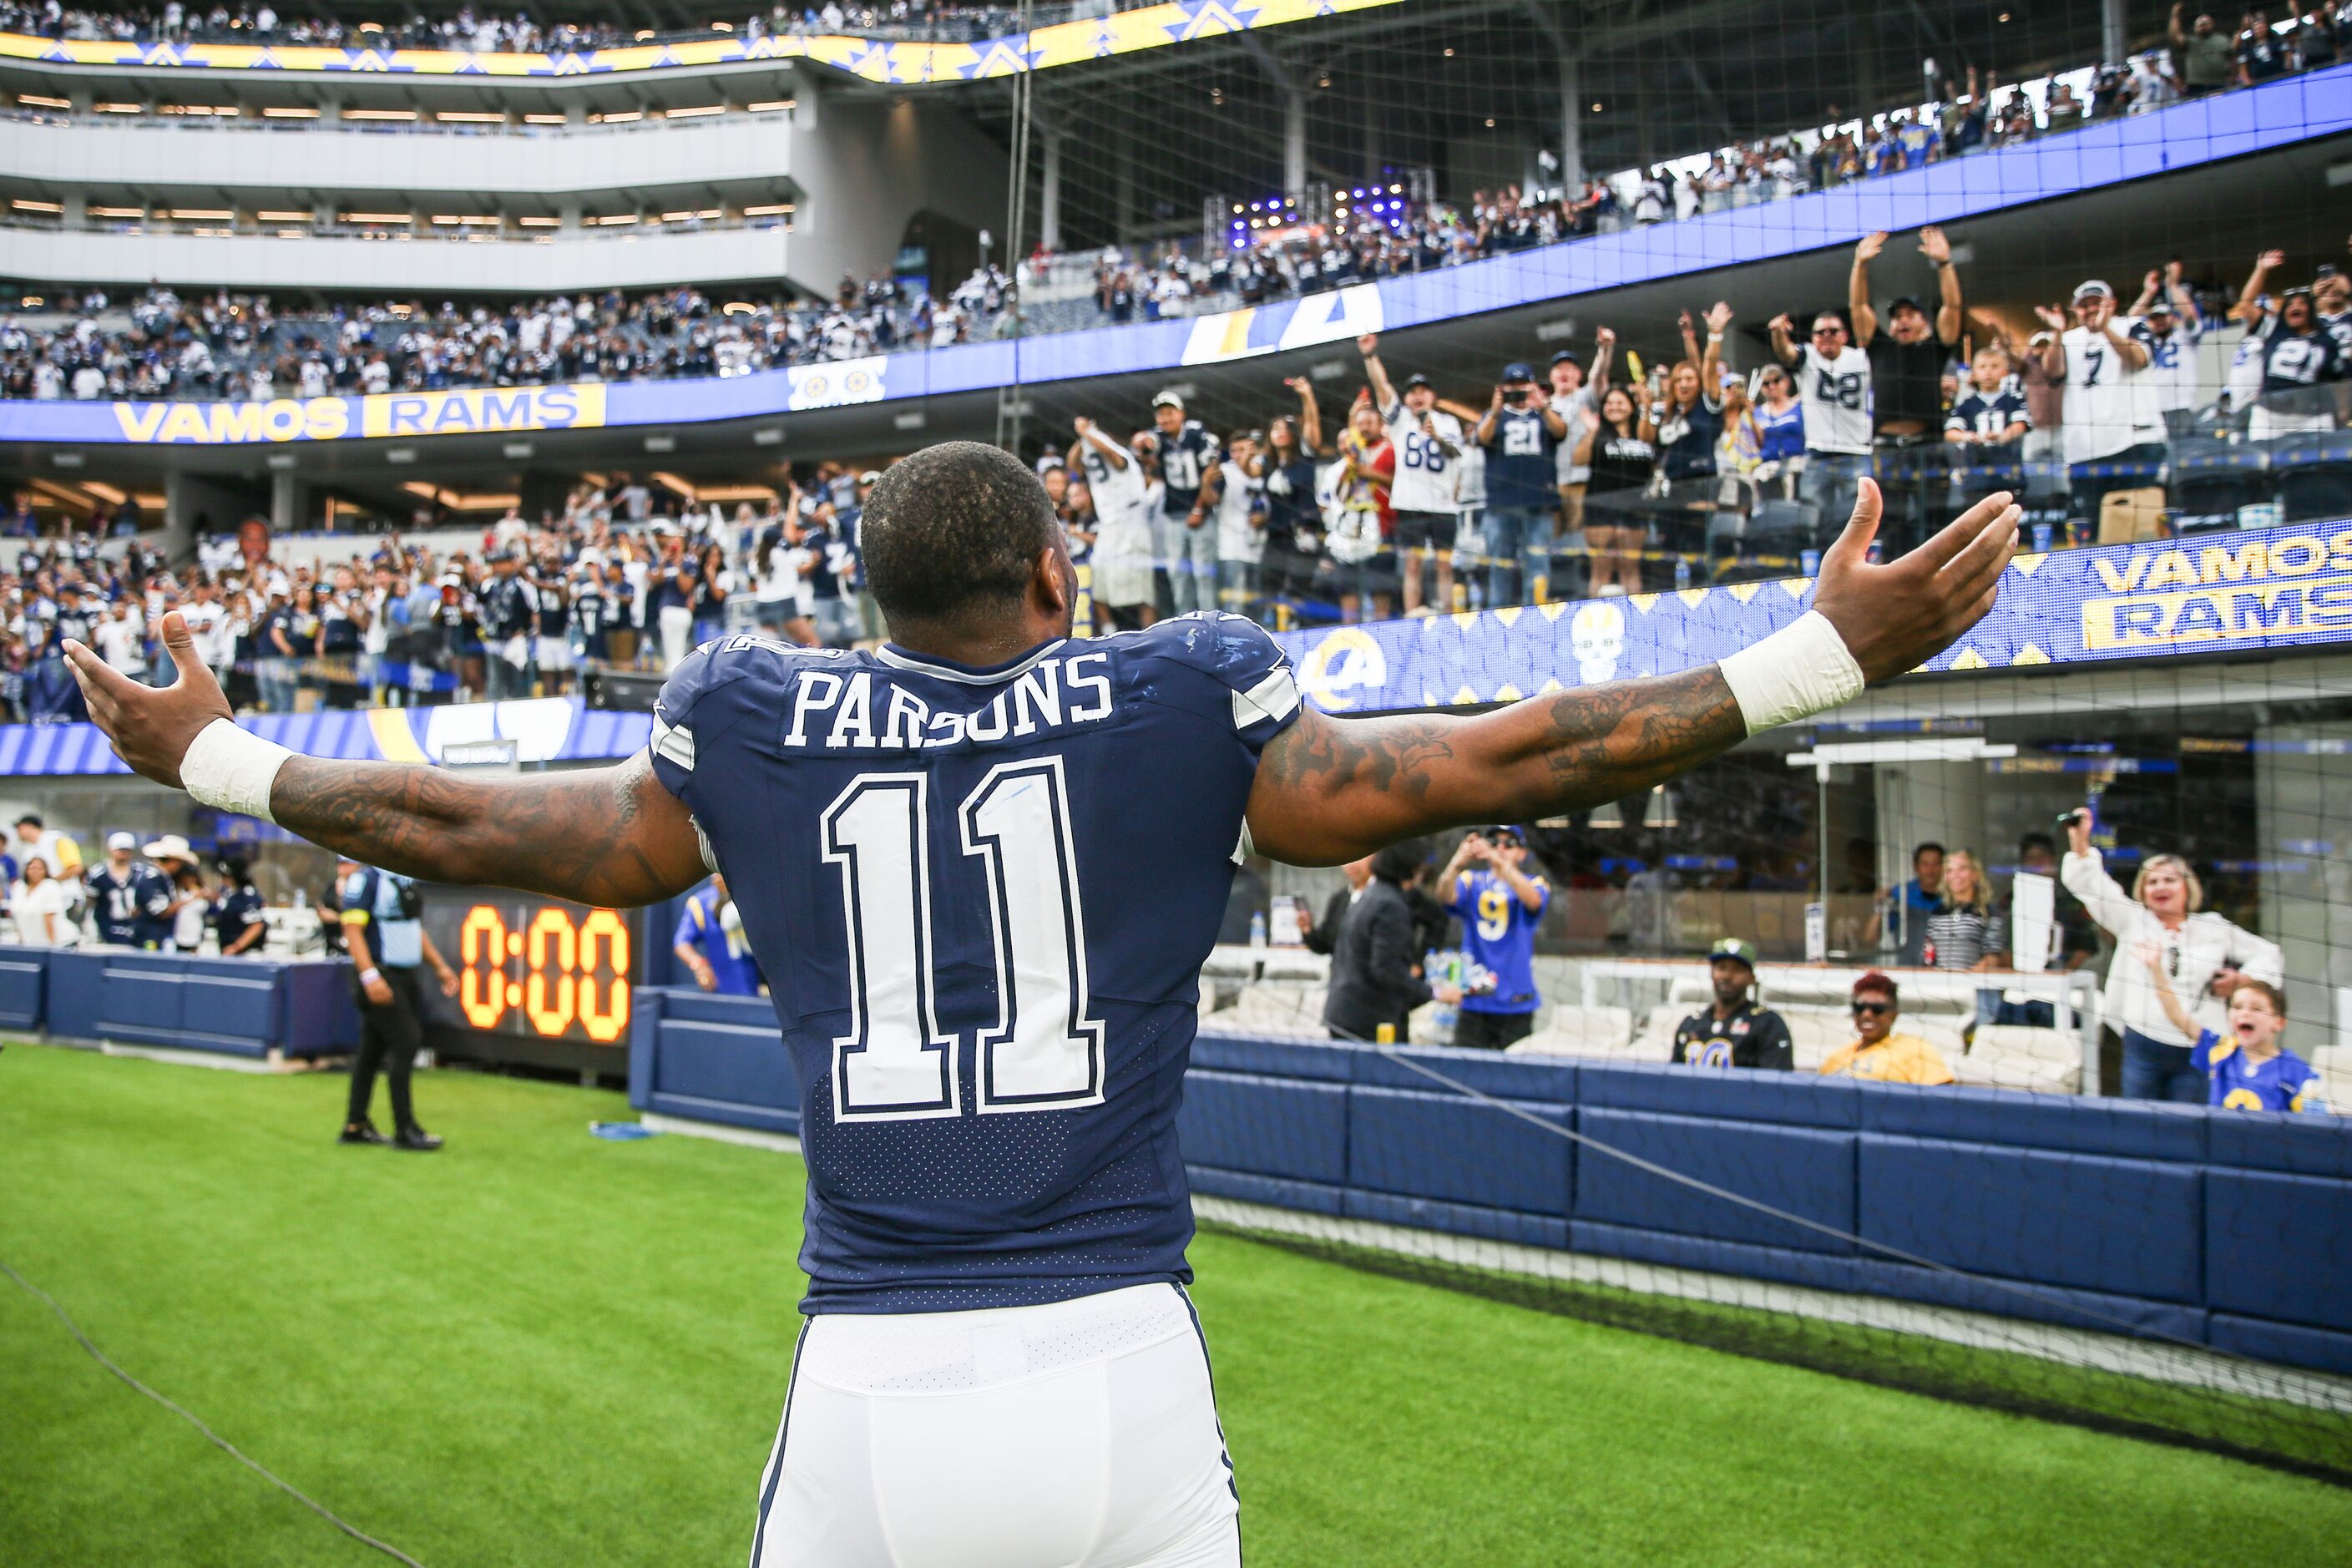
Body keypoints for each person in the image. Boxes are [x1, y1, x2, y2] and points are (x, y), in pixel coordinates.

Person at [63, 441, 2016, 1568]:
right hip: (1120, 1369)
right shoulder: (1184, 690)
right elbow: (1492, 765)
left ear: (872, 601)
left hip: (871, 1375)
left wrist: (215, 756)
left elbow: (457, 815)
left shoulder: (755, 710)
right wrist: (1809, 660)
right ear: (1054, 569)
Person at [2061, 809, 2285, 1102]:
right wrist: (2080, 843)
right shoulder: (2132, 921)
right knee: (2142, 1125)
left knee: (2190, 1128)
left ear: (2186, 887)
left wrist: (2242, 981)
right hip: (2144, 1047)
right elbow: (2092, 887)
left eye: (2169, 880)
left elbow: (2269, 954)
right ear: (2142, 890)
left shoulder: (2213, 927)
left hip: (2199, 1045)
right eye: (2152, 882)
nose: (2160, 887)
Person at [336, 853, 460, 1151]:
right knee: (406, 1041)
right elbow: (352, 930)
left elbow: (412, 929)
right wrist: (369, 976)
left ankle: (355, 1124)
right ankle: (405, 1129)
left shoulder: (403, 878)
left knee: (371, 1050)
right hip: (381, 974)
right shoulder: (366, 879)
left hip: (404, 976)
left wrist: (439, 966)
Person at [1850, 229, 1965, 544]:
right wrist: (1859, 265)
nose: (1901, 321)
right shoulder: (1879, 347)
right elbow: (1859, 306)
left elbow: (1953, 309)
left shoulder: (1936, 347)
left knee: (1936, 529)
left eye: (1910, 315)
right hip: (1886, 451)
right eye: (1896, 316)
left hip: (1928, 448)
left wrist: (1945, 264)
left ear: (1925, 322)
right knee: (1890, 529)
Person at [2036, 281, 2163, 531]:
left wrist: (2105, 329)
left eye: (2097, 303)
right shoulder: (2068, 339)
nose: (2091, 309)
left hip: (2133, 443)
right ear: (2075, 311)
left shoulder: (2131, 325)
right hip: (2085, 450)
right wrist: (2058, 334)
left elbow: (2138, 359)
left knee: (2138, 527)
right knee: (2091, 530)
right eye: (2084, 306)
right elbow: (2052, 372)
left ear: (2112, 304)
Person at [2142, 944, 2326, 1112]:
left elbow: (2314, 1125)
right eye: (2237, 1007)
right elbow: (2177, 1016)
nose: (2245, 1014)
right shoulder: (2222, 1051)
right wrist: (2156, 969)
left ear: (2278, 1022)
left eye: (2256, 1008)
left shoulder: (2296, 1070)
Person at [1361, 335, 1464, 616]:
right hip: (1410, 503)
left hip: (1443, 505)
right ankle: (1412, 613)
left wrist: (1438, 437)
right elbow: (1382, 388)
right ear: (1407, 398)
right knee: (1412, 564)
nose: (1418, 395)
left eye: (1423, 390)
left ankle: (1447, 613)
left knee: (1445, 564)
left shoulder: (1448, 422)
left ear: (1432, 396)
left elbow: (1456, 454)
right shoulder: (1401, 420)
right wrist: (1371, 357)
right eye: (1412, 392)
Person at [1324, 839, 1456, 1042]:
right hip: (1370, 1020)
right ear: (1412, 868)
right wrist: (1436, 993)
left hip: (1345, 1013)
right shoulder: (1390, 906)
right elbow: (1387, 970)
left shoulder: (1370, 896)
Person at [1434, 826, 1550, 1050]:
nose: (1501, 848)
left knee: (1516, 1078)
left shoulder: (1535, 883)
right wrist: (1457, 862)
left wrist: (1499, 862)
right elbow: (1444, 896)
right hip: (1475, 998)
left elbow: (1534, 901)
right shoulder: (1471, 880)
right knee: (1468, 1072)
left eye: (1509, 844)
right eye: (1494, 843)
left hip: (1516, 1001)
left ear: (1522, 853)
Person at [1768, 304, 1874, 543]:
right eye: (1820, 332)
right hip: (1819, 451)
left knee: (1856, 518)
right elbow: (1786, 353)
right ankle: (1819, 568)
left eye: (1833, 331)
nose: (1826, 336)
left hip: (1856, 449)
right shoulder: (1808, 356)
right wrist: (1778, 332)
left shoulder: (1861, 357)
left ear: (1845, 335)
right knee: (1813, 518)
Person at [1474, 362, 1567, 608]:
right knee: (1500, 564)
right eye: (1512, 386)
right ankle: (1498, 613)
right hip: (1500, 504)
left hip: (1538, 504)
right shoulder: (1493, 416)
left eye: (1523, 385)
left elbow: (1561, 432)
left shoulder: (1545, 414)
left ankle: (1536, 612)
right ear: (1502, 389)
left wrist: (1542, 405)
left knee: (1537, 562)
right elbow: (1481, 438)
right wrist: (1495, 410)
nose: (1517, 390)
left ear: (1533, 385)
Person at [1672, 936, 1794, 1070]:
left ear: (1751, 978)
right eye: (1722, 968)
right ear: (1712, 973)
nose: (1727, 976)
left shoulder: (1767, 1024)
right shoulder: (1691, 1023)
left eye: (1737, 970)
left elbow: (1776, 1082)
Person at [1818, 972, 1956, 1085]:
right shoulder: (1838, 1057)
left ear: (1894, 1015)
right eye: (1860, 1008)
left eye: (1877, 1009)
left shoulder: (1916, 1049)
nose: (1867, 1014)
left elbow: (1941, 1100)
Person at [673, 873, 763, 995]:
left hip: (762, 991)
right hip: (721, 991)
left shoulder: (758, 897)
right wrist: (699, 964)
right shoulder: (701, 903)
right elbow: (681, 942)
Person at [86, 830, 173, 948]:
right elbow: (91, 901)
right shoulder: (97, 874)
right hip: (107, 926)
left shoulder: (143, 873)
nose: (123, 853)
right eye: (120, 849)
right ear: (110, 849)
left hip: (136, 929)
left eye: (126, 850)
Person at [8, 856, 76, 947]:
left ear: (45, 871)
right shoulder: (19, 887)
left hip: (61, 942)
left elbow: (49, 920)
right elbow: (18, 918)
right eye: (32, 868)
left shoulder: (51, 886)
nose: (35, 872)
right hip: (33, 944)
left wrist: (53, 947)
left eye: (40, 869)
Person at [212, 855, 270, 956]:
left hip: (245, 953)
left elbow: (256, 925)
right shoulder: (230, 893)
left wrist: (236, 947)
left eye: (226, 876)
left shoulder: (247, 896)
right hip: (228, 950)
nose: (222, 879)